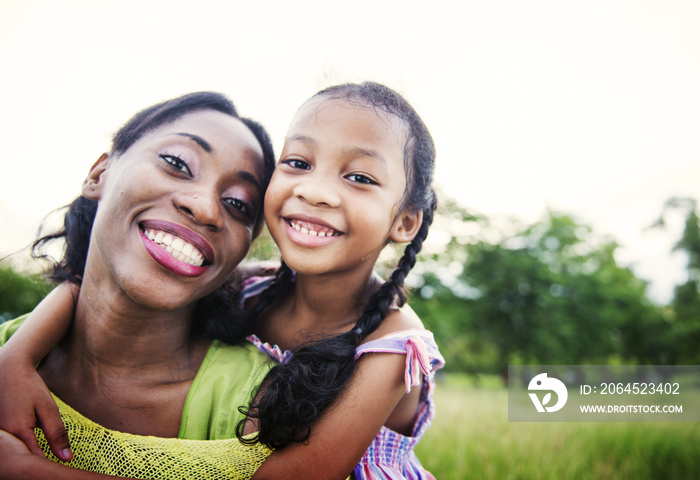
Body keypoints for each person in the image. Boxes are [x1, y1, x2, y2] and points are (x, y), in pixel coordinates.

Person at [0, 82, 444, 479]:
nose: (315, 190)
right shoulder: (256, 287)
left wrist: (25, 468)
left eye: (360, 177)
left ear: (404, 222)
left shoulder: (394, 345)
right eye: (298, 162)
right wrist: (17, 356)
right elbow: (89, 291)